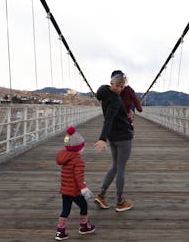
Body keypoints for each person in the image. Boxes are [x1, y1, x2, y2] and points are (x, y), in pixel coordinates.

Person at [93, 72, 135, 212]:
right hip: (123, 137)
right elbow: (109, 119)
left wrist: (127, 114)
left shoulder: (104, 92)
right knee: (121, 168)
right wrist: (101, 139)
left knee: (115, 167)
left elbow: (113, 117)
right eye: (117, 85)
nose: (119, 89)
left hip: (114, 137)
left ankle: (101, 195)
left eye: (122, 86)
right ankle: (120, 202)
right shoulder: (115, 100)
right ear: (112, 83)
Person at [55, 126, 95, 240]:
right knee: (84, 206)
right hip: (75, 191)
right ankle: (84, 226)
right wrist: (84, 188)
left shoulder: (65, 157)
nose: (83, 149)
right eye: (82, 147)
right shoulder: (78, 161)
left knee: (65, 210)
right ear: (78, 148)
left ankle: (60, 231)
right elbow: (78, 177)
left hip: (65, 190)